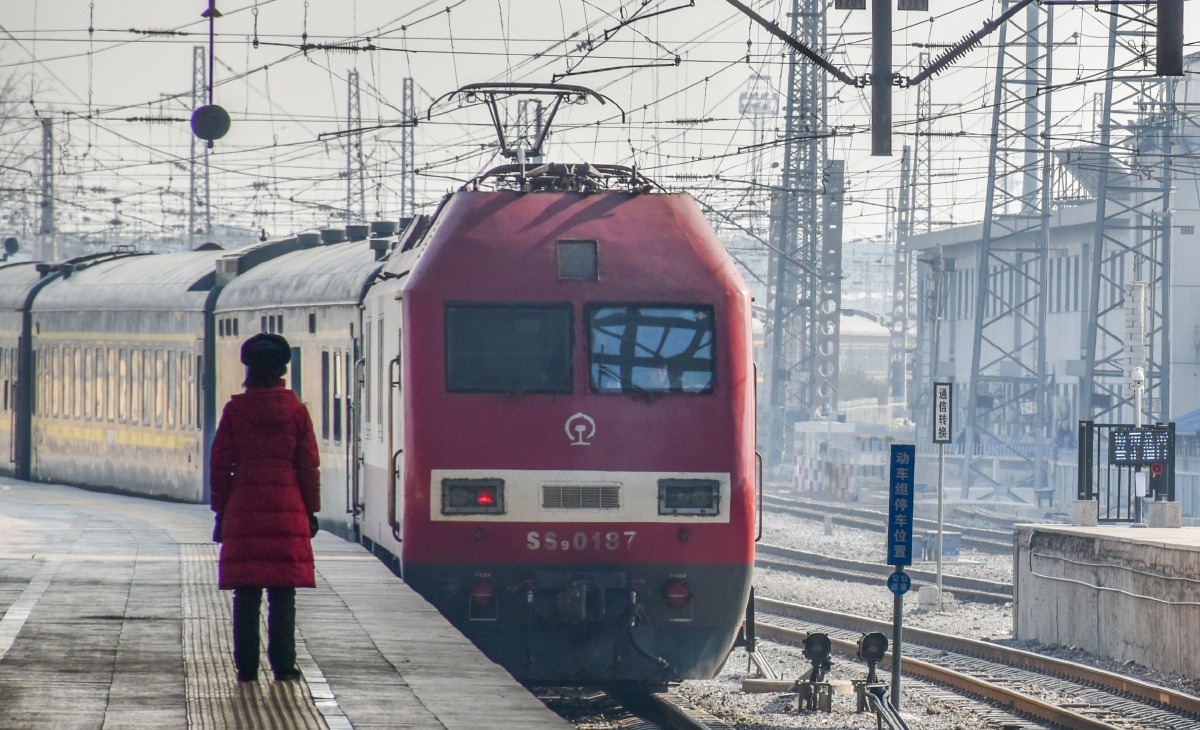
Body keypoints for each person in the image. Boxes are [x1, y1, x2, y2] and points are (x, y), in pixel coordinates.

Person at [210, 333, 321, 683]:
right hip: (288, 507)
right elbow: (308, 466)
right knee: (283, 593)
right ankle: (284, 666)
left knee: (246, 593)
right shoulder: (297, 412)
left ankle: (246, 667)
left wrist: (221, 510)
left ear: (249, 369)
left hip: (243, 507)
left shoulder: (235, 410)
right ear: (283, 369)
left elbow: (220, 465)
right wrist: (311, 510)